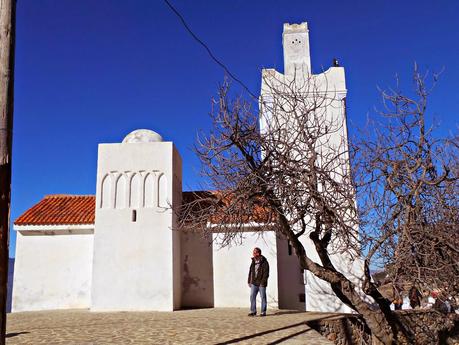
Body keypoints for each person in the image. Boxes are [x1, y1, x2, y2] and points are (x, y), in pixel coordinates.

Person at [247, 247, 269, 317]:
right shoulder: (253, 261)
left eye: (254, 252)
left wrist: (263, 282)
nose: (253, 254)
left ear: (258, 253)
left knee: (263, 297)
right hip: (254, 282)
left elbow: (266, 273)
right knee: (252, 296)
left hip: (261, 283)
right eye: (253, 252)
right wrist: (249, 281)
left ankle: (263, 311)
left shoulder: (264, 262)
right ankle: (253, 311)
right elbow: (251, 272)